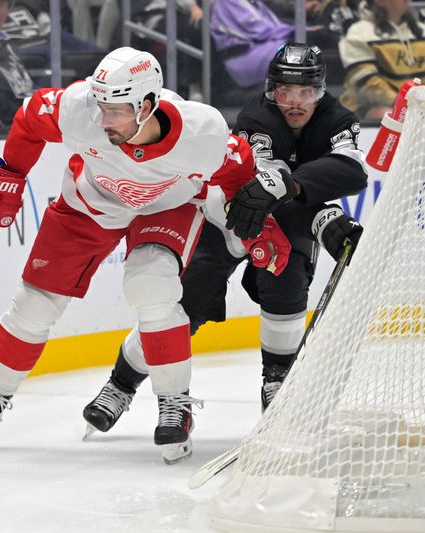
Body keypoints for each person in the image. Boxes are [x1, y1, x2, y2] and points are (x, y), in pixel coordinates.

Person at [0, 47, 293, 464]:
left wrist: (259, 225)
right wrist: (9, 173)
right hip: (89, 205)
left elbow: (237, 177)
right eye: (101, 106)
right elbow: (29, 118)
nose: (103, 119)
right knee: (33, 304)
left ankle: (175, 405)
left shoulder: (201, 132)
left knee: (151, 288)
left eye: (115, 111)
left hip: (167, 207)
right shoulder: (81, 108)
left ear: (147, 105)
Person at [82, 43, 368, 439]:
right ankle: (121, 383)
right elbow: (262, 191)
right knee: (182, 308)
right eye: (285, 91)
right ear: (271, 90)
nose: (295, 102)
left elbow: (352, 172)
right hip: (227, 221)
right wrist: (322, 216)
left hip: (285, 227)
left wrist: (309, 205)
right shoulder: (256, 117)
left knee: (286, 284)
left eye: (305, 92)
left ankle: (278, 382)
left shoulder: (338, 119)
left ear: (320, 91)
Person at [339, 0, 425, 120]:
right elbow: (367, 83)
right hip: (368, 106)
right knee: (389, 116)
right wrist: (405, 106)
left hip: (416, 106)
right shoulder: (359, 33)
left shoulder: (421, 30)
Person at [210, 0, 295, 89]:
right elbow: (261, 31)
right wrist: (302, 32)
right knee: (298, 51)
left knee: (303, 46)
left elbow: (275, 27)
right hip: (243, 57)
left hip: (259, 47)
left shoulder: (255, 3)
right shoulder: (227, 1)